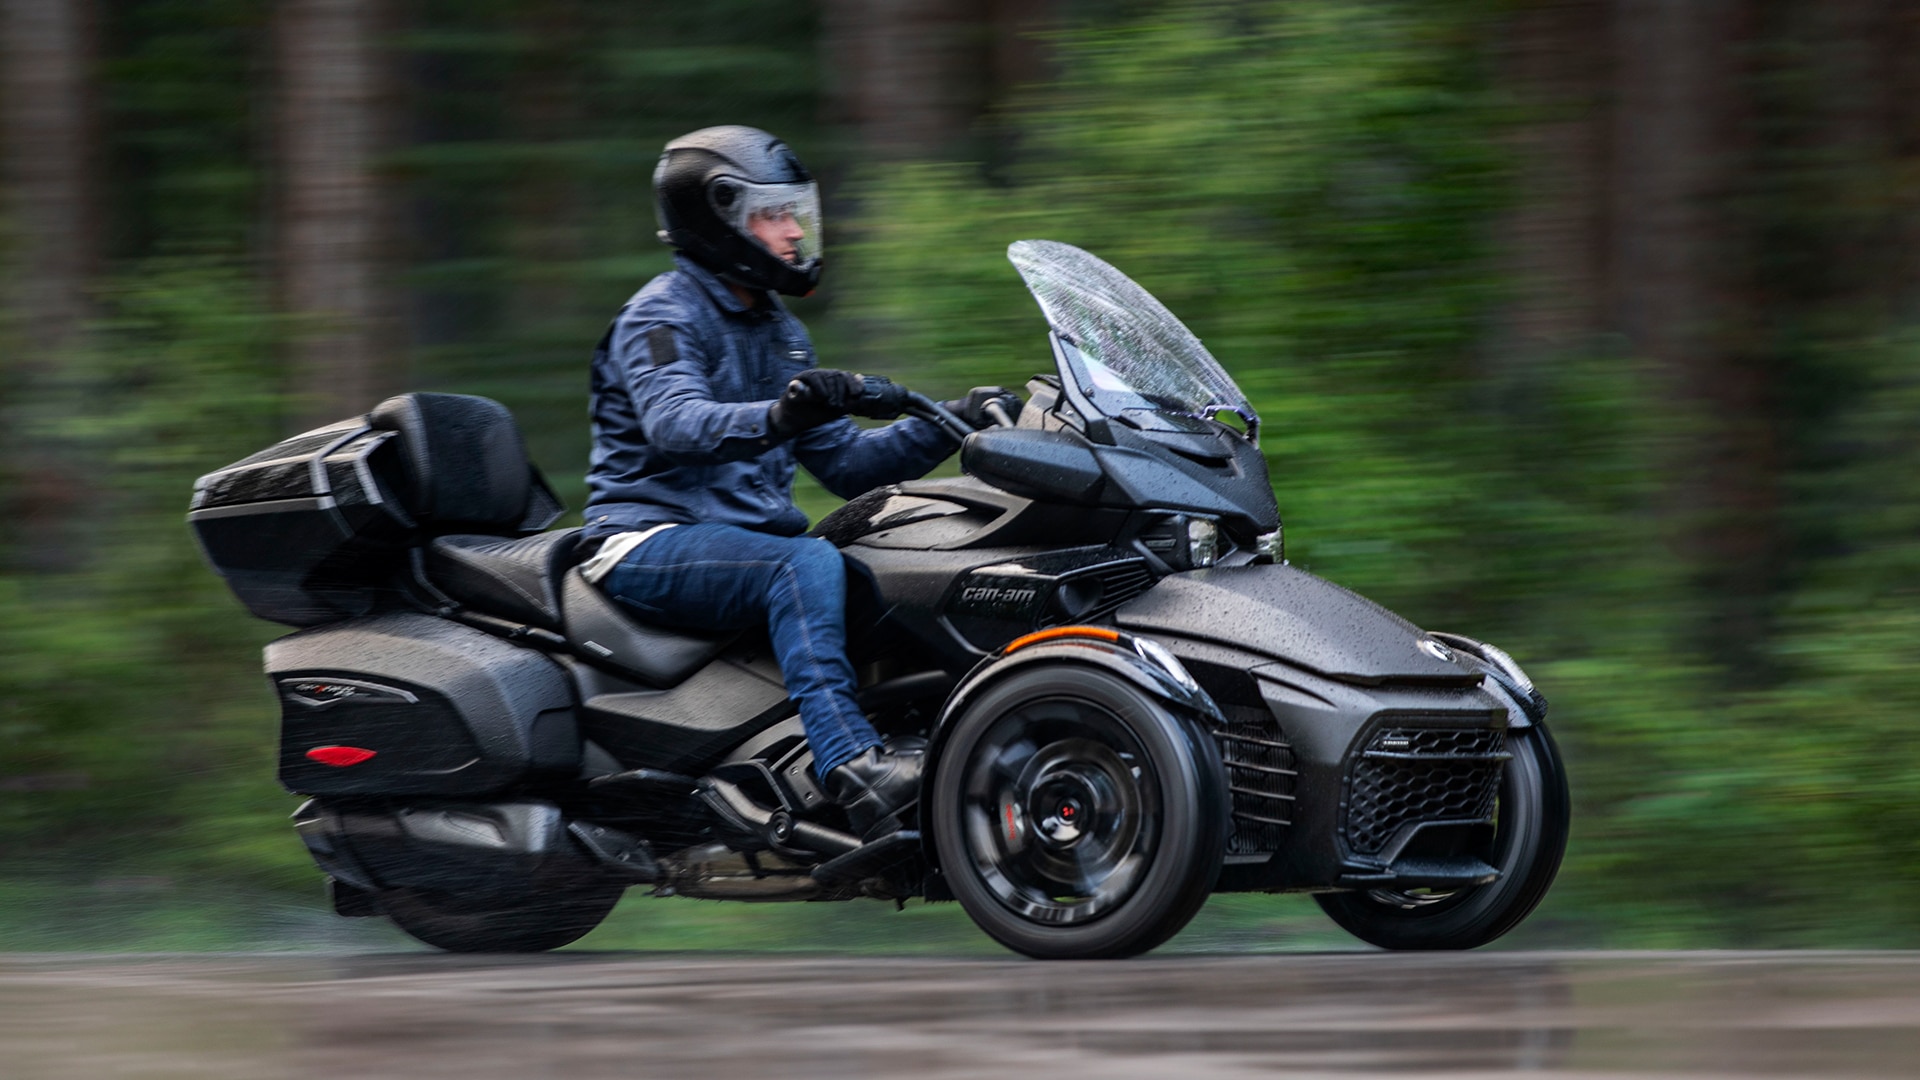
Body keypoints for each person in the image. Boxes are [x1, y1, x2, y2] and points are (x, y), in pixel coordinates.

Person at [578, 125, 1013, 842]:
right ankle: (852, 766)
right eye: (771, 216)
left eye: (793, 213)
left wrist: (951, 420)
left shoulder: (781, 333)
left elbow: (847, 467)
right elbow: (675, 423)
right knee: (805, 561)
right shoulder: (660, 315)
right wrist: (782, 410)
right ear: (716, 219)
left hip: (737, 544)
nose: (790, 231)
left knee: (900, 555)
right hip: (645, 538)